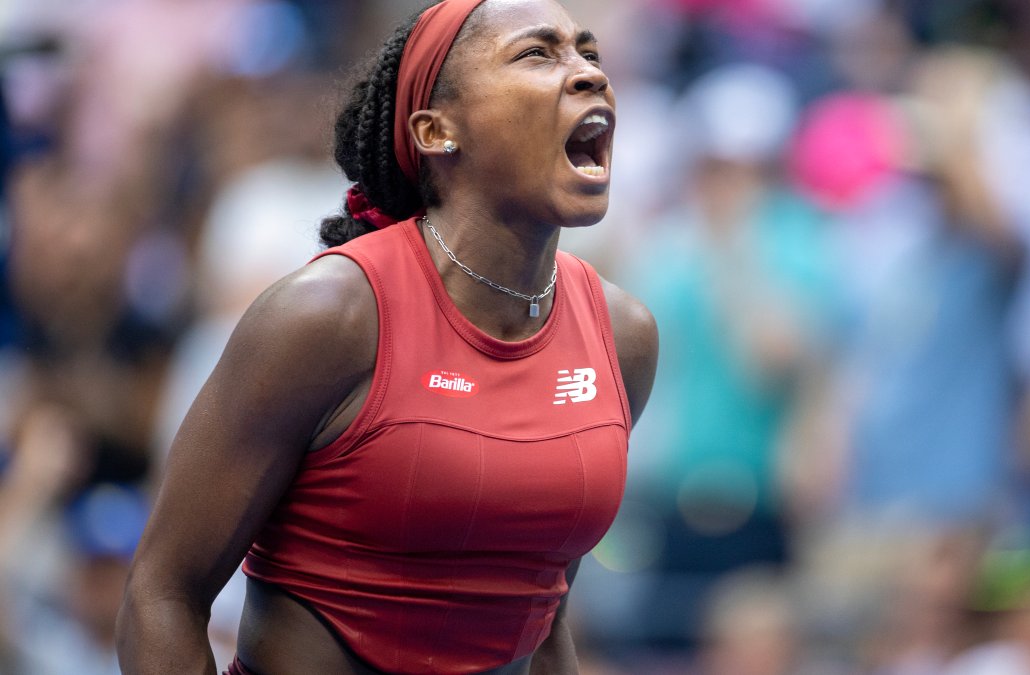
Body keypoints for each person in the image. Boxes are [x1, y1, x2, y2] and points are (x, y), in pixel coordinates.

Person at [115, 0, 658, 673]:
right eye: (538, 53)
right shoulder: (328, 318)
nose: (587, 75)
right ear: (437, 131)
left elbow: (546, 619)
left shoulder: (622, 336)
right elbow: (162, 591)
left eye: (588, 53)